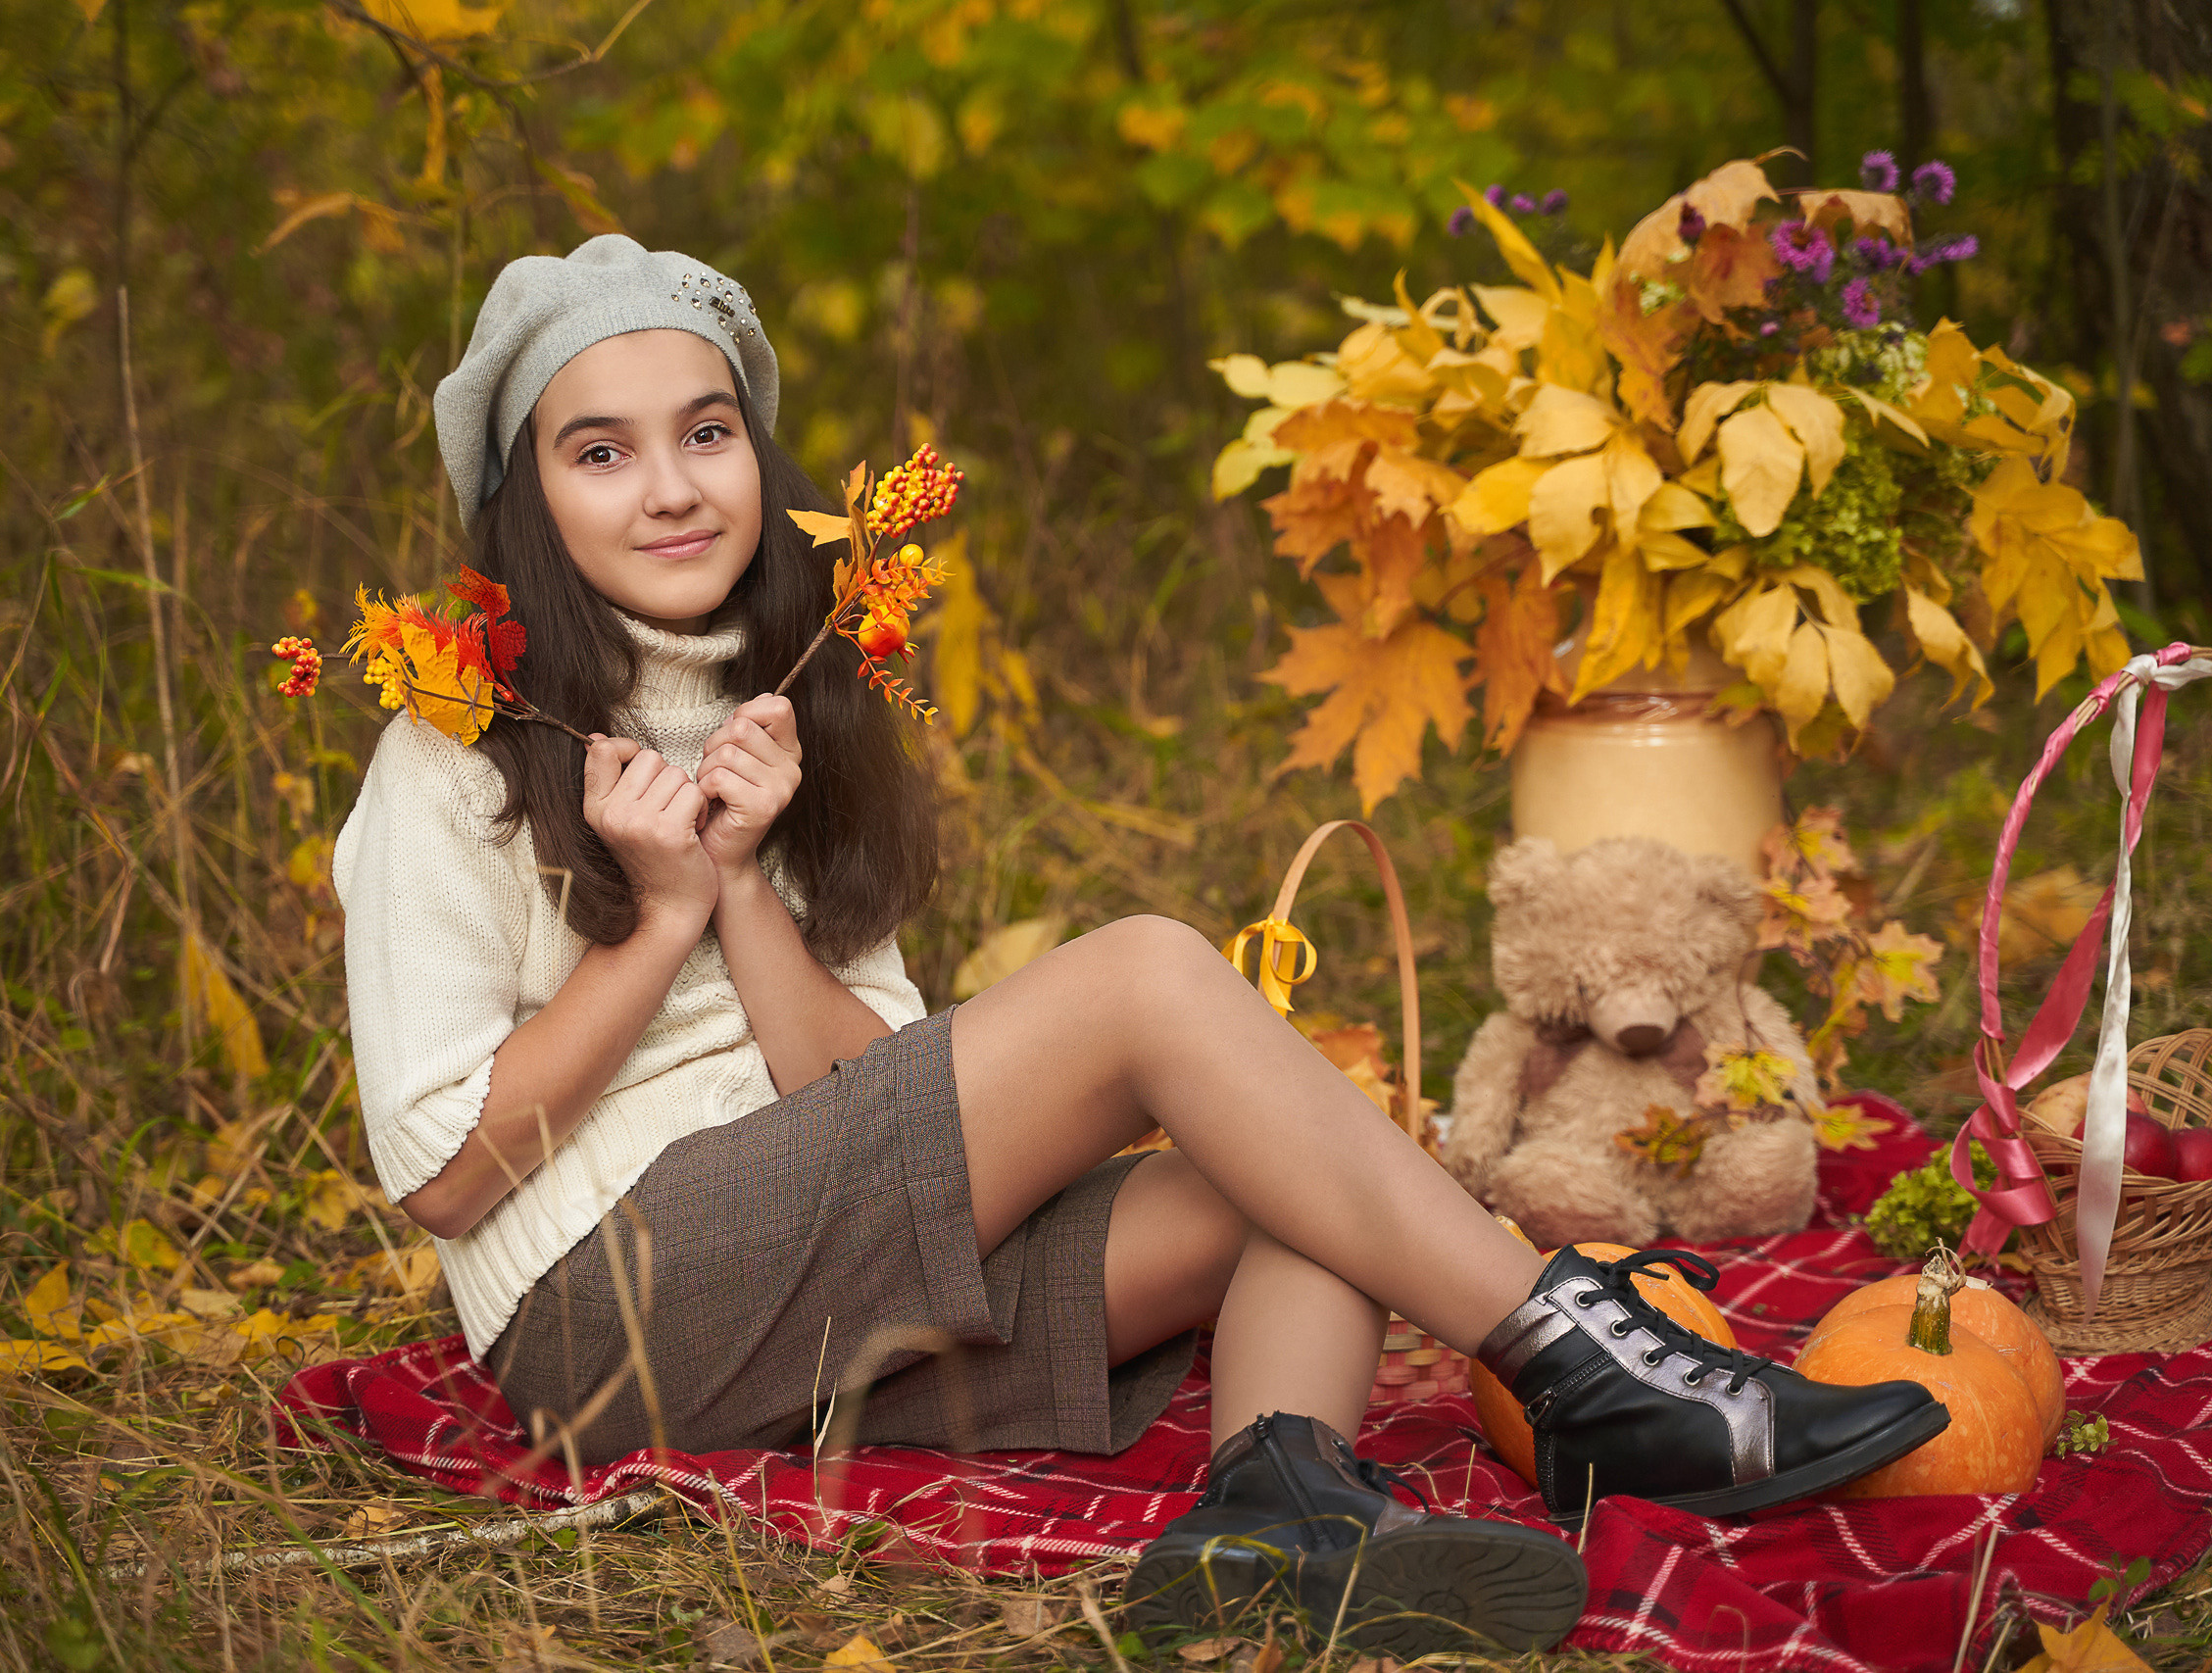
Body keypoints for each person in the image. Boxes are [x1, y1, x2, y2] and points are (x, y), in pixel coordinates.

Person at [331, 236, 1947, 1658]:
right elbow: (446, 1179)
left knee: (1311, 1178)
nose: (672, 485)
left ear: (761, 454)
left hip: (816, 1293)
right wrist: (657, 922)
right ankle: (1592, 1367)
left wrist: (744, 889)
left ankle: (1275, 1531)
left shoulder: (804, 703)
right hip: (606, 1314)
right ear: (525, 499)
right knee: (1153, 974)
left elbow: (878, 1106)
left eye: (707, 432)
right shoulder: (458, 749)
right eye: (600, 452)